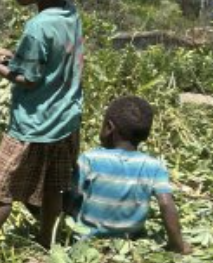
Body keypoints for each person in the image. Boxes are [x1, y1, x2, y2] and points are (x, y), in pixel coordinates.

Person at [0, 0, 84, 250]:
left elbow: (29, 80)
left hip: (33, 126)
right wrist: (14, 56)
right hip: (65, 121)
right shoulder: (69, 13)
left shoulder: (37, 27)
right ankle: (48, 243)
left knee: (1, 193)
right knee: (52, 189)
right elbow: (53, 60)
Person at [72, 96, 191, 254]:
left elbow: (72, 196)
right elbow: (165, 203)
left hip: (87, 239)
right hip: (130, 242)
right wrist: (178, 245)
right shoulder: (154, 166)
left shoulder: (89, 159)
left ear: (109, 127)